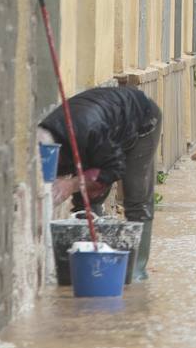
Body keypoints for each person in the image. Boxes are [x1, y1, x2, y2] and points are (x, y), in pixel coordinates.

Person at [38, 85, 162, 281]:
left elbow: (114, 168)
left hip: (142, 120)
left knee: (136, 195)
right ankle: (92, 264)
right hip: (103, 126)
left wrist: (70, 185)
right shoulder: (48, 132)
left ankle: (136, 272)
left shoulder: (90, 132)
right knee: (85, 200)